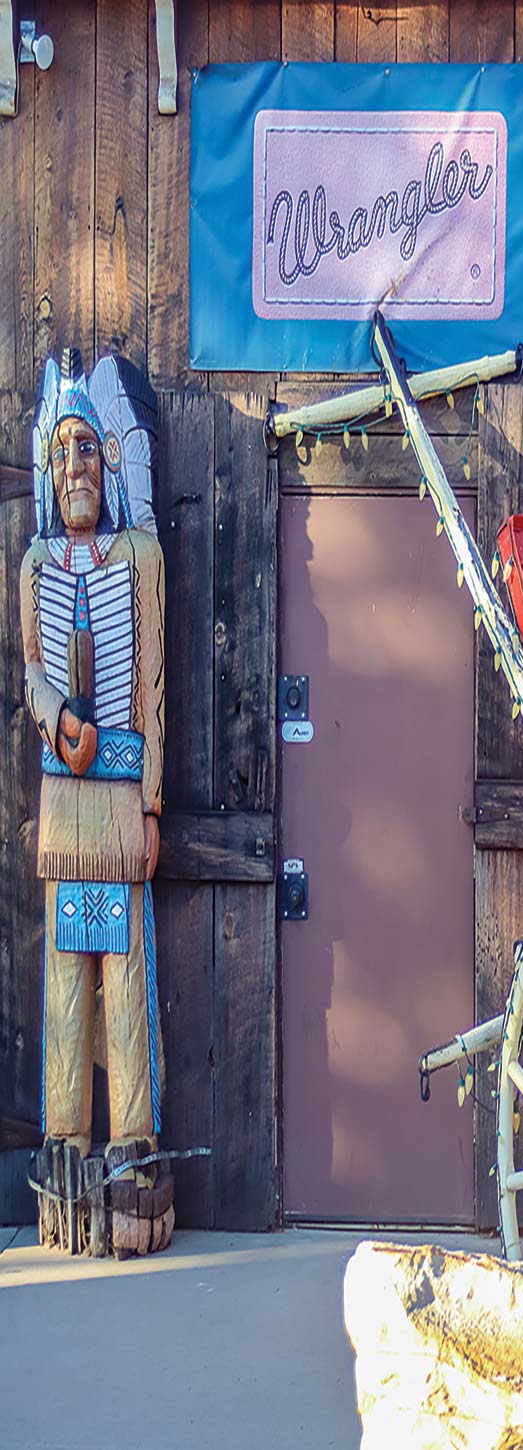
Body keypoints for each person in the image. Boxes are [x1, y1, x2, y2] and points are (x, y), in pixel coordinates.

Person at [19, 349, 165, 1231]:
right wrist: (51, 715)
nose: (76, 467)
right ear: (48, 470)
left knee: (127, 971)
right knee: (66, 977)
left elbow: (149, 689)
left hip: (116, 796)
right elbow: (31, 671)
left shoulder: (140, 556)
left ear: (111, 462)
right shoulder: (35, 562)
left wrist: (150, 802)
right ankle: (65, 1136)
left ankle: (134, 1141)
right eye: (61, 451)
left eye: (87, 449)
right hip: (63, 796)